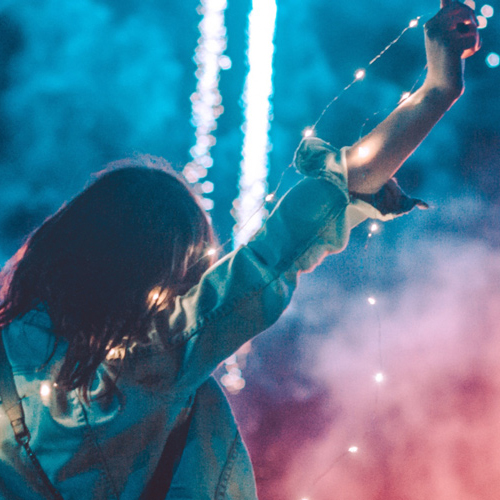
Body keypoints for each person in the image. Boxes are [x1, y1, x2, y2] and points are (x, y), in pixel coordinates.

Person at [0, 1, 480, 499]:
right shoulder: (146, 367)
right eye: (186, 270)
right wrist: (437, 89)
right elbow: (276, 249)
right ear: (156, 270)